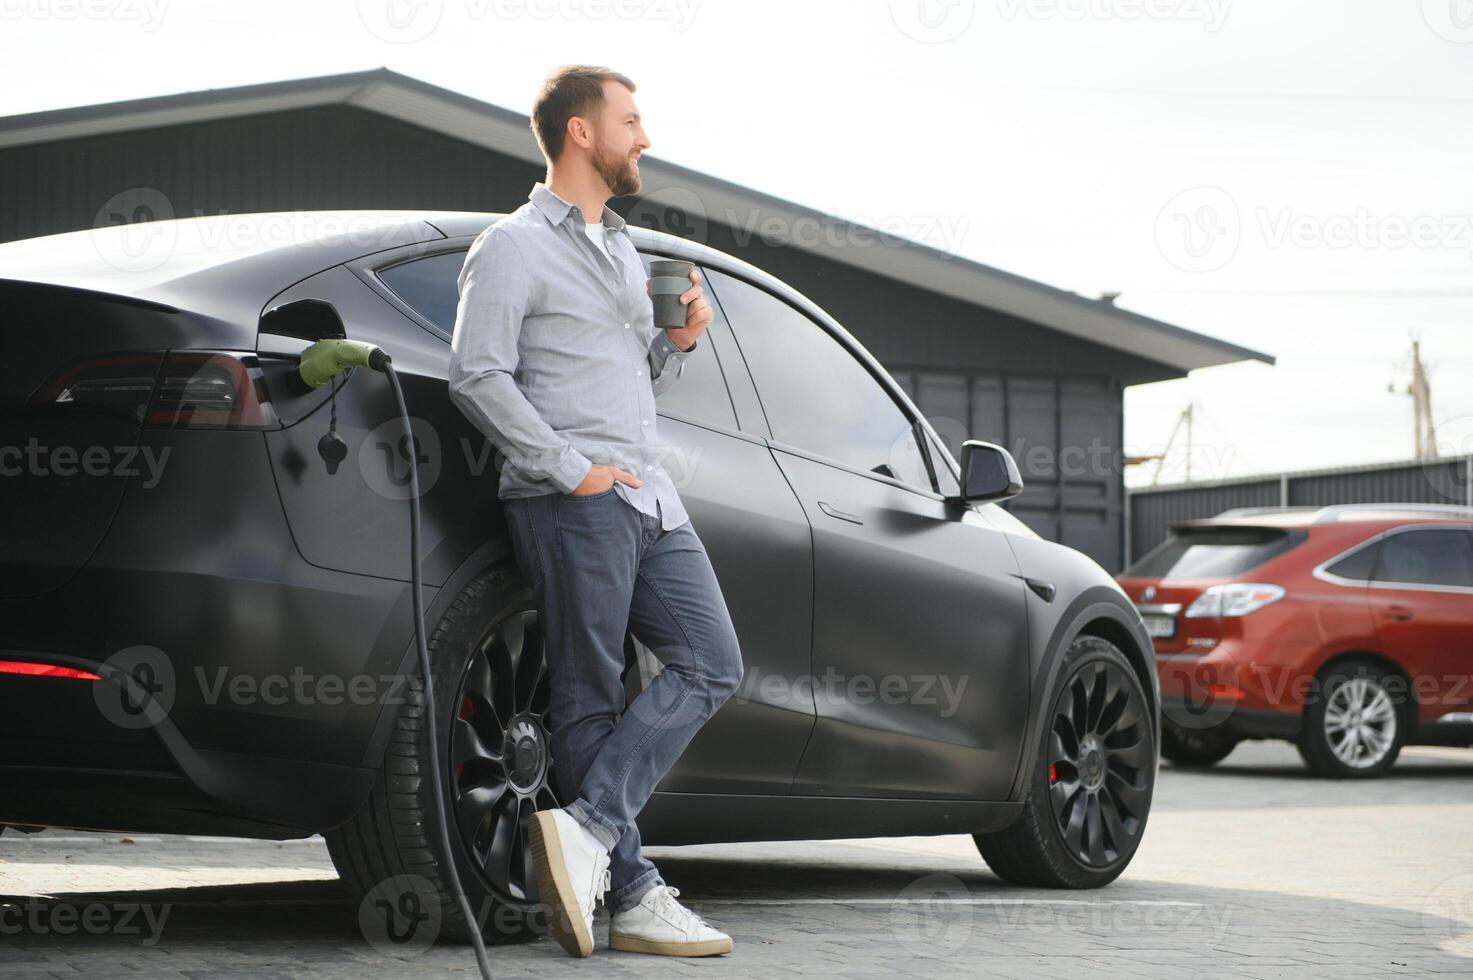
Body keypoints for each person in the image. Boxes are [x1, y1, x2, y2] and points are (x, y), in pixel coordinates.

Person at [446, 64, 744, 959]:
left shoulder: (622, 248)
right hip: (573, 500)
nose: (642, 137)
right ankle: (635, 895)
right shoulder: (509, 248)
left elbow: (625, 378)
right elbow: (477, 374)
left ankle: (588, 831)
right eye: (630, 119)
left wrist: (675, 345)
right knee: (588, 696)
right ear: (581, 132)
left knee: (712, 664)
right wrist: (568, 469)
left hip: (650, 497)